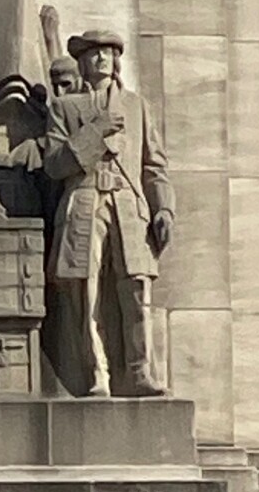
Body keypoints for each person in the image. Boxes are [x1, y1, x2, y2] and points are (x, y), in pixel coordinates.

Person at [44, 31, 175, 398]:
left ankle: (139, 372)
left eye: (107, 53)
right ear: (82, 62)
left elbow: (154, 165)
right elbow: (54, 165)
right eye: (93, 54)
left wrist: (164, 206)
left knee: (136, 289)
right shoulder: (64, 108)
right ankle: (96, 373)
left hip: (127, 203)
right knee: (85, 290)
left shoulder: (136, 106)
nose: (101, 59)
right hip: (84, 200)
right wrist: (95, 132)